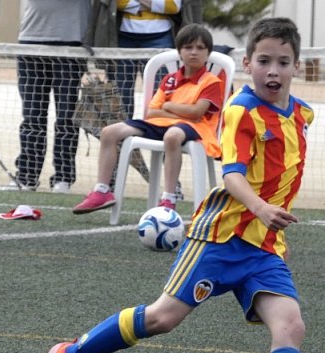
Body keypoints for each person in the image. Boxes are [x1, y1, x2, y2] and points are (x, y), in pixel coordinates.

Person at [24, 17, 325, 353]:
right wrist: (259, 209)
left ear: (297, 66)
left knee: (290, 325)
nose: (272, 71)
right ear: (246, 63)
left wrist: (267, 226)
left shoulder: (302, 113)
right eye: (263, 61)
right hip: (218, 238)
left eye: (283, 62)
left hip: (261, 248)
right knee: (162, 319)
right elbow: (233, 175)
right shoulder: (241, 110)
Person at [72, 23, 222, 214]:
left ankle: (169, 198)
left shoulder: (211, 81)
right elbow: (151, 112)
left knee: (172, 136)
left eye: (200, 48)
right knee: (109, 132)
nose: (194, 52)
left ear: (208, 53)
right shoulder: (169, 79)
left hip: (196, 127)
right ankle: (102, 191)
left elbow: (196, 114)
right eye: (188, 47)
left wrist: (168, 106)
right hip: (159, 124)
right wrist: (176, 110)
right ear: (179, 51)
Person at [13, 0, 90, 193]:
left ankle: (63, 178)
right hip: (31, 44)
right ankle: (27, 177)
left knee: (67, 118)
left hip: (70, 45)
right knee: (32, 117)